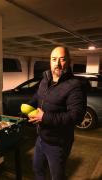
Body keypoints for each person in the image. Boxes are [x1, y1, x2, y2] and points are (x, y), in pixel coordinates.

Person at [28, 46, 87, 180]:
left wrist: (44, 117)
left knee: (57, 177)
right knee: (37, 169)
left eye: (62, 59)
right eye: (54, 59)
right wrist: (28, 107)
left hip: (58, 143)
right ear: (50, 61)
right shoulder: (45, 80)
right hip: (41, 137)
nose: (58, 63)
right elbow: (38, 97)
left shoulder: (74, 86)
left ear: (69, 61)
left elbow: (76, 116)